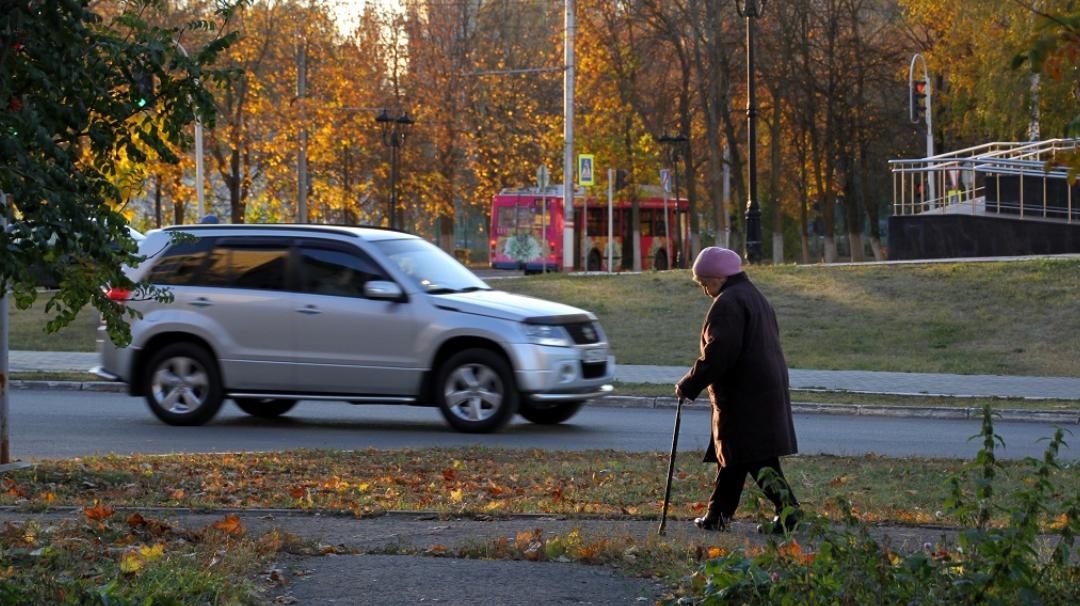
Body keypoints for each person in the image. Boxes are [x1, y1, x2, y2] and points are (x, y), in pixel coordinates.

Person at [675, 247, 802, 533]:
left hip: (744, 396)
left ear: (720, 277)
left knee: (754, 458)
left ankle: (790, 513)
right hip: (759, 391)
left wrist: (688, 384)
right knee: (736, 456)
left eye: (705, 283)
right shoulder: (753, 296)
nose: (705, 290)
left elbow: (718, 354)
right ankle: (718, 515)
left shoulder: (728, 303)